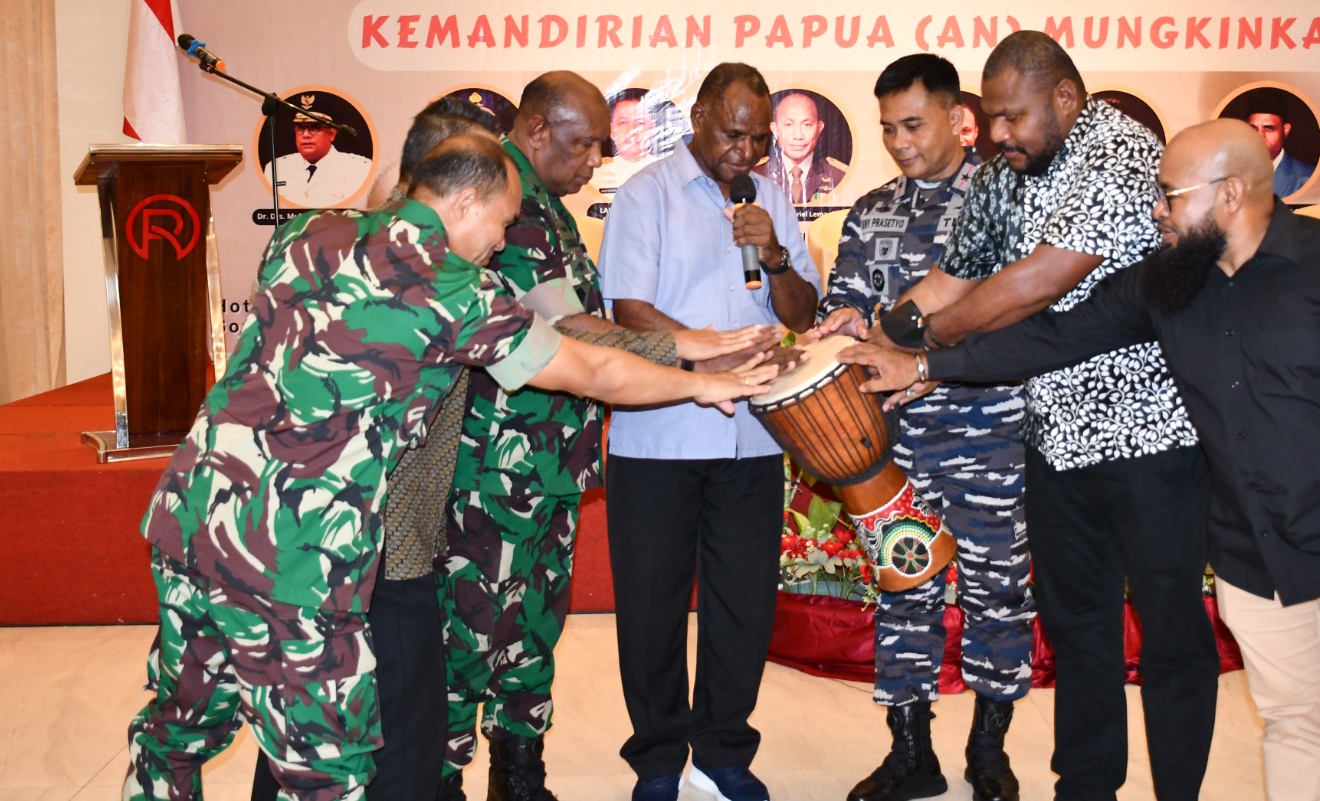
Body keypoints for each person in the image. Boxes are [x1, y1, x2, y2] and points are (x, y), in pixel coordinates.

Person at [125, 135, 775, 801]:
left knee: (178, 730)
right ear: (465, 203)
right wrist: (701, 384)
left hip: (193, 518)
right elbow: (593, 371)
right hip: (299, 557)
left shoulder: (307, 232)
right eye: (503, 220)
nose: (503, 240)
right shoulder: (454, 290)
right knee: (323, 772)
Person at [845, 118, 1320, 801]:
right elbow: (1054, 337)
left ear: (1229, 194)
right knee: (1290, 723)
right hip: (1250, 557)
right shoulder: (1172, 282)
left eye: (1170, 196)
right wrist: (923, 364)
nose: (1156, 211)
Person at [873, 30, 1218, 801]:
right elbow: (951, 281)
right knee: (1079, 630)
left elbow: (1040, 281)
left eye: (1013, 116)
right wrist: (874, 342)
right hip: (1054, 444)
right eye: (991, 116)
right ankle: (1084, 790)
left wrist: (929, 345)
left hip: (1149, 443)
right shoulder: (1009, 171)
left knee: (1170, 634)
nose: (996, 133)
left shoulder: (1120, 152)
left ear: (1065, 98)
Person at [438, 71, 775, 801]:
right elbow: (573, 329)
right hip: (495, 470)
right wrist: (689, 351)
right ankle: (443, 782)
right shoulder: (506, 204)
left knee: (530, 630)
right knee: (471, 635)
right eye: (585, 143)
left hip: (545, 466)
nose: (596, 160)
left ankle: (519, 774)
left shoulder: (545, 207)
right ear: (537, 131)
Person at [246, 95, 502, 801]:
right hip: (381, 556)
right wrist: (694, 362)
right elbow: (574, 358)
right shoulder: (443, 281)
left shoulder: (314, 244)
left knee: (304, 734)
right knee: (401, 746)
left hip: (300, 541)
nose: (500, 230)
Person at [599, 62, 821, 801]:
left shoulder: (770, 198)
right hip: (660, 433)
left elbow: (799, 313)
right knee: (652, 606)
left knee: (743, 604)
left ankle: (723, 752)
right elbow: (628, 312)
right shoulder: (646, 194)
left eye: (758, 139)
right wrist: (711, 354)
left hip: (753, 436)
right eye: (733, 134)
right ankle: (660, 760)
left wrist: (776, 253)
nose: (746, 151)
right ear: (696, 118)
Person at [813, 54, 1032, 801]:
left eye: (913, 124)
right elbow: (844, 302)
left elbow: (1019, 312)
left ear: (956, 118)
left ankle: (989, 752)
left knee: (996, 591)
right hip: (894, 444)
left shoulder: (1004, 198)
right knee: (904, 587)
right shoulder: (871, 209)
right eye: (887, 129)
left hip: (989, 434)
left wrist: (925, 357)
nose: (900, 142)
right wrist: (844, 320)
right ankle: (911, 753)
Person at [263, 102, 372, 207]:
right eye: (301, 128)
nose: (306, 135)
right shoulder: (276, 168)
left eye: (314, 128)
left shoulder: (358, 168)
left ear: (332, 134)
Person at [761, 90, 847, 204]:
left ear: (819, 128)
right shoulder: (756, 175)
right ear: (775, 129)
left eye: (807, 125)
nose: (798, 136)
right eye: (788, 125)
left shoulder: (839, 176)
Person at [1237, 88, 1315, 199]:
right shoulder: (1229, 175)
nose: (1260, 136)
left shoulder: (1306, 179)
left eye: (1268, 128)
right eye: (1253, 128)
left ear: (1285, 130)